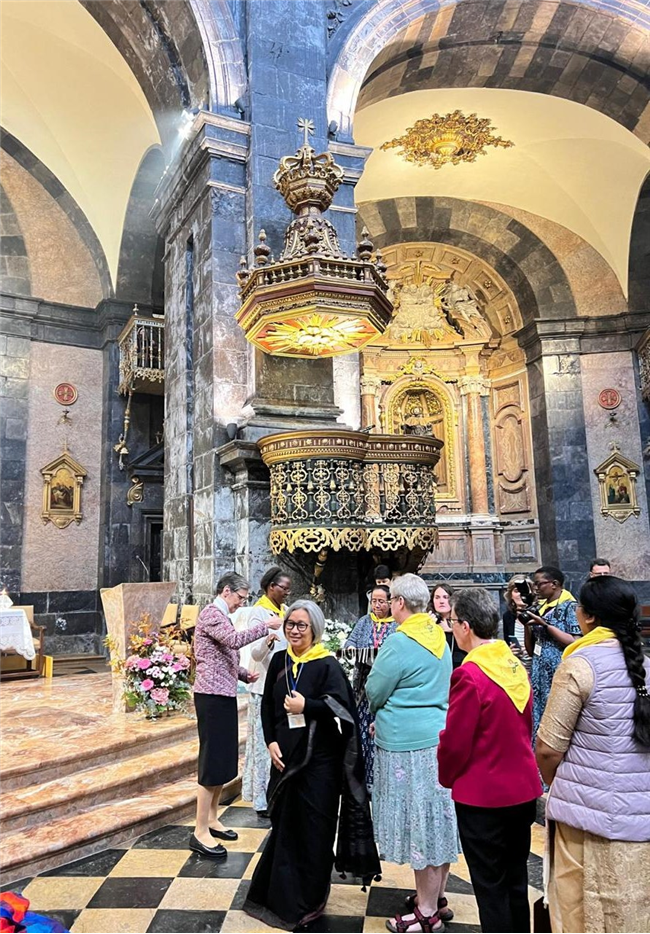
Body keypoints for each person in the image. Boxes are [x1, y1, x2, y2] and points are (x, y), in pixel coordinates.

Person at [244, 600, 380, 931]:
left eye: (301, 625)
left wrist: (310, 705)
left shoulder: (326, 664)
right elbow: (267, 708)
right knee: (286, 829)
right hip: (284, 758)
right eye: (290, 623)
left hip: (319, 764)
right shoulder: (279, 660)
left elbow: (343, 711)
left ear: (314, 629)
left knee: (315, 831)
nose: (294, 630)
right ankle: (278, 897)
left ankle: (309, 899)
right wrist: (270, 741)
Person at [536, 576, 650, 934]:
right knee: (635, 908)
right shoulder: (645, 664)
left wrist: (567, 785)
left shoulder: (578, 664)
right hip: (641, 814)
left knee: (579, 911)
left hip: (584, 821)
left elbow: (548, 748)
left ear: (585, 617)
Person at [438, 588, 542, 934]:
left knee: (490, 887)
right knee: (515, 880)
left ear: (466, 626)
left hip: (483, 796)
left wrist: (447, 776)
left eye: (452, 622)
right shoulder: (513, 664)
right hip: (522, 789)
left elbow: (456, 743)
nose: (451, 628)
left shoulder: (469, 675)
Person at [366, 574, 459, 934]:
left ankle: (425, 912)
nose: (389, 606)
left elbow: (375, 689)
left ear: (400, 603)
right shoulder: (439, 634)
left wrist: (383, 713)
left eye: (391, 601)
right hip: (437, 737)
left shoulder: (400, 641)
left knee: (420, 823)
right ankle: (436, 898)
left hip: (407, 746)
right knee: (436, 820)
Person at [190, 572, 282, 859]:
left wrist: (243, 673)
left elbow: (219, 656)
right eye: (240, 598)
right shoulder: (211, 614)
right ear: (227, 591)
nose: (240, 605)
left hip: (224, 693)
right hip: (211, 696)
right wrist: (266, 627)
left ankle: (213, 818)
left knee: (223, 761)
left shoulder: (221, 614)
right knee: (211, 762)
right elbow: (232, 642)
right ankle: (199, 830)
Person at [242, 566, 290, 817]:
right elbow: (255, 653)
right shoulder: (258, 612)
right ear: (271, 586)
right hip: (262, 686)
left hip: (283, 686)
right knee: (263, 744)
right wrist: (267, 639)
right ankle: (262, 799)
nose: (286, 593)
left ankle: (278, 791)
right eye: (284, 588)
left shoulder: (284, 612)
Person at [344, 584, 398, 789]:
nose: (376, 605)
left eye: (381, 601)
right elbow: (351, 641)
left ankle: (381, 780)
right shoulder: (365, 622)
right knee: (362, 734)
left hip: (385, 690)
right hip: (362, 689)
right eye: (373, 601)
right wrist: (350, 648)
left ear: (391, 602)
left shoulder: (396, 625)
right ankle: (362, 779)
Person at [523, 565, 580, 741]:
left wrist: (546, 626)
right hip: (540, 671)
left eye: (539, 584)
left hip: (558, 670)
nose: (536, 589)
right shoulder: (541, 607)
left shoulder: (569, 607)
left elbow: (575, 641)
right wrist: (527, 625)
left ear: (554, 584)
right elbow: (532, 649)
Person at [429, 582, 466, 669]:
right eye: (437, 597)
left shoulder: (461, 620)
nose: (441, 601)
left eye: (445, 597)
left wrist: (451, 630)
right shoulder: (428, 620)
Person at [502, 576, 533, 662]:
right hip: (518, 665)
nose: (520, 594)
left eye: (524, 591)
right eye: (516, 591)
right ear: (511, 595)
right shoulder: (508, 616)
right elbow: (507, 642)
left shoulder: (540, 613)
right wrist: (510, 651)